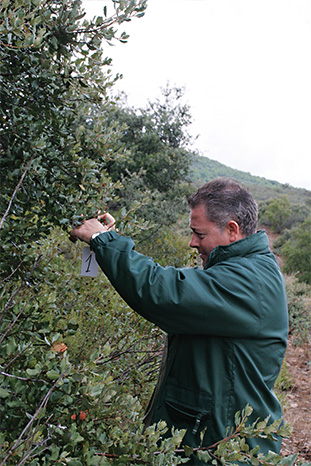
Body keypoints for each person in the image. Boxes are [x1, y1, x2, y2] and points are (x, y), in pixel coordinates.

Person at [70, 178, 288, 463]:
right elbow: (181, 287)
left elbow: (165, 291)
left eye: (199, 233)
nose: (192, 242)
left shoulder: (248, 281)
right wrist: (109, 243)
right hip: (208, 438)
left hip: (220, 449)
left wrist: (103, 240)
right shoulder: (243, 270)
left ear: (232, 230)